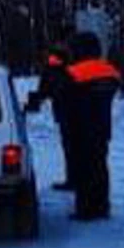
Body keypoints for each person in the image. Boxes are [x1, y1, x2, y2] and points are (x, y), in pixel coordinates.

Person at [60, 31, 123, 221]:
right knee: (100, 166)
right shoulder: (111, 72)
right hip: (102, 127)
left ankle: (85, 210)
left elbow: (64, 100)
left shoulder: (72, 73)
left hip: (78, 129)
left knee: (82, 169)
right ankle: (102, 206)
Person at [24, 42, 75, 191]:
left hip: (69, 113)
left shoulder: (54, 70)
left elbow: (44, 92)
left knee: (72, 149)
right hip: (70, 113)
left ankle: (74, 180)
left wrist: (33, 103)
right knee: (73, 149)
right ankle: (74, 180)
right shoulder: (64, 68)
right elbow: (44, 92)